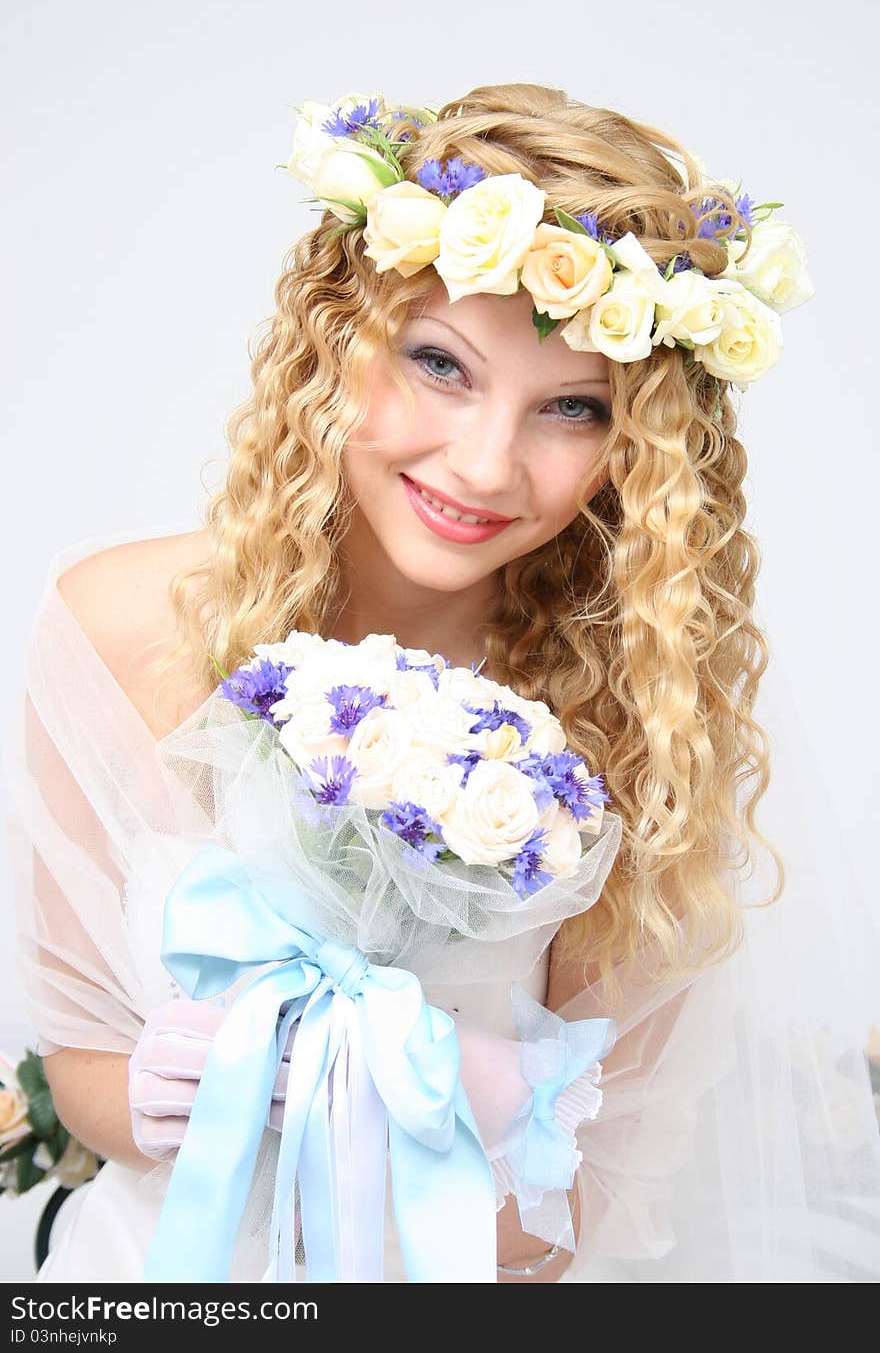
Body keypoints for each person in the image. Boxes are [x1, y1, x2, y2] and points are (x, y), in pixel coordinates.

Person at [3, 82, 879, 1283]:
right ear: (336, 338)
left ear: (636, 453)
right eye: (441, 364)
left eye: (571, 408)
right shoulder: (115, 626)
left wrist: (386, 1132)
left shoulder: (646, 727)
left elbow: (594, 1193)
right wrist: (172, 1099)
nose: (484, 463)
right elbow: (82, 1061)